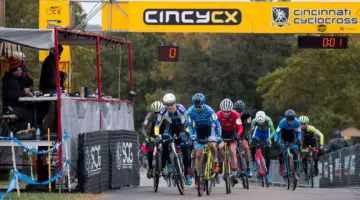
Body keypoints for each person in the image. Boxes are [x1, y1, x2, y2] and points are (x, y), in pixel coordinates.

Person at [154, 93, 192, 185]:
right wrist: (157, 135)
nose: (170, 107)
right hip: (171, 127)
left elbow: (189, 121)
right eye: (167, 105)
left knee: (186, 151)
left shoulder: (181, 108)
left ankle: (187, 174)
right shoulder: (163, 111)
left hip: (182, 127)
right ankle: (169, 163)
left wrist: (187, 131)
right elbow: (157, 125)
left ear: (175, 103)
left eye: (171, 104)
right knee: (165, 140)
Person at [187, 93, 221, 188]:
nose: (198, 108)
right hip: (199, 130)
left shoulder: (210, 110)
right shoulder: (190, 111)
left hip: (209, 130)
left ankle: (215, 162)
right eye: (196, 107)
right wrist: (192, 135)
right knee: (198, 154)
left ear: (203, 104)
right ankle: (197, 179)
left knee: (212, 145)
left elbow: (217, 124)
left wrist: (218, 136)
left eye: (200, 106)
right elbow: (189, 125)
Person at [217, 98, 243, 186]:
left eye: (228, 111)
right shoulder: (218, 115)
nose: (226, 113)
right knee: (219, 147)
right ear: (221, 110)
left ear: (231, 110)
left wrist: (238, 135)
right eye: (224, 111)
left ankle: (234, 173)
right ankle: (224, 161)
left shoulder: (235, 114)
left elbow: (240, 127)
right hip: (222, 134)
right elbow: (214, 127)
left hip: (232, 134)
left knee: (232, 151)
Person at [39, 45, 63, 133]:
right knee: (52, 110)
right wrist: (58, 86)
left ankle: (50, 130)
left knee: (54, 110)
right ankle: (44, 129)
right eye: (60, 53)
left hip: (49, 88)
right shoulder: (50, 61)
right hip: (48, 89)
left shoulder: (50, 60)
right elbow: (51, 77)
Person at [141, 101, 167, 178]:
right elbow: (143, 128)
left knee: (165, 150)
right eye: (156, 112)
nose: (157, 114)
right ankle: (150, 168)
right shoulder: (150, 115)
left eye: (159, 112)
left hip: (163, 135)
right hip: (153, 136)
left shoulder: (166, 114)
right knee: (150, 150)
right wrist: (146, 137)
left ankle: (163, 168)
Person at [2, 57, 33, 124]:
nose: (21, 71)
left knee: (30, 110)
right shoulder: (10, 81)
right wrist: (24, 92)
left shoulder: (12, 79)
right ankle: (20, 129)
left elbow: (20, 88)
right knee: (30, 114)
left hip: (11, 106)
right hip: (10, 107)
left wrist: (24, 90)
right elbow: (13, 95)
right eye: (20, 69)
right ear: (16, 70)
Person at [274, 109, 302, 180]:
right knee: (280, 152)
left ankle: (295, 170)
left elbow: (299, 133)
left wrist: (299, 139)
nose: (290, 120)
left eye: (292, 118)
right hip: (284, 136)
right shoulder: (282, 122)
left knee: (295, 152)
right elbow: (277, 132)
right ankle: (281, 165)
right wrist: (276, 140)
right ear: (286, 118)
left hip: (293, 136)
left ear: (294, 117)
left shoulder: (297, 122)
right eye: (288, 118)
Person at [250, 111, 275, 182]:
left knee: (268, 154)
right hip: (258, 131)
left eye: (262, 122)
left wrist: (269, 139)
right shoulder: (254, 121)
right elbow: (250, 131)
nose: (261, 123)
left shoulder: (268, 120)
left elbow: (273, 131)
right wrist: (250, 141)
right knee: (252, 146)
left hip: (266, 132)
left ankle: (267, 174)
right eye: (259, 122)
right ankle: (255, 164)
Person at [233, 100, 252, 177]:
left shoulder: (247, 116)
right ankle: (235, 168)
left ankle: (248, 168)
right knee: (233, 150)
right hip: (234, 132)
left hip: (243, 132)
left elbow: (248, 127)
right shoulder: (233, 115)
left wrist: (246, 137)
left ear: (243, 110)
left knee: (246, 148)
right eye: (237, 111)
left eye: (240, 111)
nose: (239, 113)